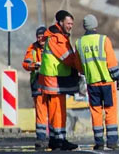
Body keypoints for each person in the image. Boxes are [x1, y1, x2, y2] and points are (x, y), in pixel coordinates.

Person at [76, 15, 119, 151]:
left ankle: (99, 142)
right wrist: (118, 78)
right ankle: (112, 142)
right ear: (95, 25)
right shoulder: (104, 40)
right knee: (110, 110)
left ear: (85, 27)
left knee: (96, 111)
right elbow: (111, 62)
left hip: (92, 83)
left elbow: (79, 67)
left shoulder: (79, 43)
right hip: (107, 82)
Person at [38, 10, 80, 151]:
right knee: (58, 110)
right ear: (61, 22)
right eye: (68, 23)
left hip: (54, 78)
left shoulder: (56, 36)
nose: (70, 26)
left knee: (56, 109)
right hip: (54, 80)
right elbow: (67, 58)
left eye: (72, 24)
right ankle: (59, 140)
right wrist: (81, 67)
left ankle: (56, 140)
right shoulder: (57, 38)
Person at [22, 26, 49, 150]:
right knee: (41, 112)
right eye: (38, 37)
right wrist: (34, 65)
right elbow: (26, 63)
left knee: (55, 111)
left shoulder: (52, 46)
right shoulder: (32, 48)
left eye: (41, 37)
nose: (40, 39)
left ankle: (56, 137)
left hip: (51, 83)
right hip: (38, 84)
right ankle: (41, 138)